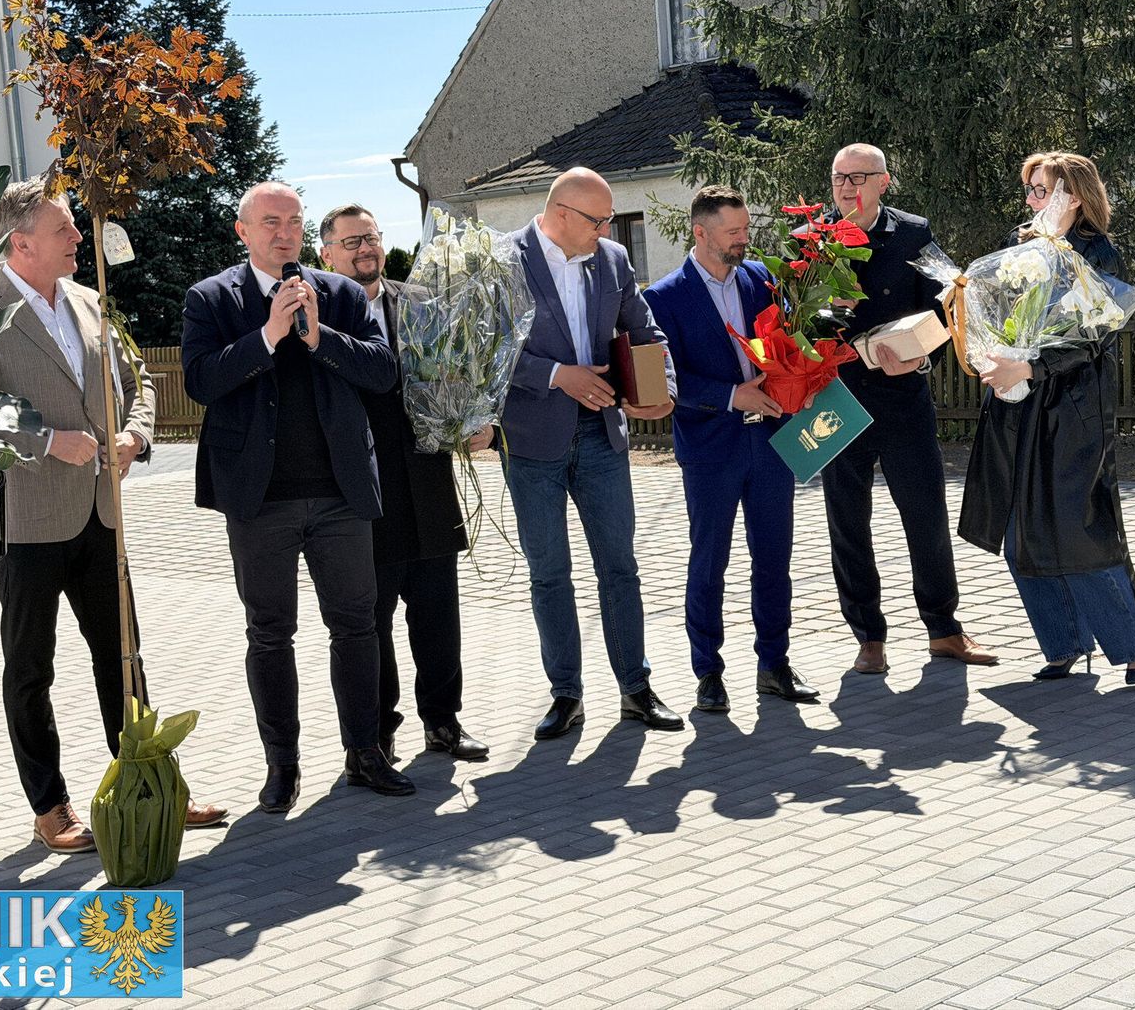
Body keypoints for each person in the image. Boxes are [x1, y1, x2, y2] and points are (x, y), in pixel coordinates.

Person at [0, 180, 226, 852]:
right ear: (21, 243)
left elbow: (137, 383)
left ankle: (150, 785)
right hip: (27, 522)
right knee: (31, 670)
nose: (78, 237)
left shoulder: (90, 301)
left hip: (101, 515)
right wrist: (47, 440)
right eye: (64, 229)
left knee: (124, 659)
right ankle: (50, 806)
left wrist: (136, 436)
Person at [182, 180, 410, 812]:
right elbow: (200, 381)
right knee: (269, 633)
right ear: (243, 231)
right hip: (261, 501)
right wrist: (267, 335)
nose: (285, 234)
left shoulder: (340, 294)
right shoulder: (210, 298)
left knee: (357, 626)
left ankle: (365, 752)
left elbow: (382, 371)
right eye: (271, 222)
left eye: (294, 222)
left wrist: (317, 338)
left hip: (340, 494)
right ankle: (281, 764)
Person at [958, 152, 1135, 684]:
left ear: (1073, 195)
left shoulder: (1099, 254)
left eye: (1041, 189)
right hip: (1017, 403)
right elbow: (997, 313)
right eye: (1029, 189)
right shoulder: (1021, 245)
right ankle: (1063, 642)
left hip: (1073, 410)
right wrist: (994, 353)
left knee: (1078, 528)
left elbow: (1095, 335)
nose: (1031, 199)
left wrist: (1030, 364)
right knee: (1019, 530)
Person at [501, 167, 682, 740]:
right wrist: (559, 375)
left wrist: (662, 386)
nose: (606, 231)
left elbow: (645, 331)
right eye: (597, 220)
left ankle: (635, 688)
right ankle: (567, 695)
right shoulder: (503, 261)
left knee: (620, 567)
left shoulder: (612, 259)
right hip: (533, 443)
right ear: (561, 213)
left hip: (603, 436)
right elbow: (488, 349)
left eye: (608, 221)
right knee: (550, 574)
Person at [320, 203, 490, 763]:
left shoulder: (421, 303)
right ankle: (377, 731)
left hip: (428, 482)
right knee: (371, 622)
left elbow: (462, 369)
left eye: (370, 237)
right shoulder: (315, 314)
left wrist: (475, 418)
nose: (365, 249)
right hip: (362, 493)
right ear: (325, 254)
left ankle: (443, 722)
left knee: (439, 614)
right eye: (351, 242)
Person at [820, 143, 997, 674]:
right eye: (839, 178)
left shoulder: (914, 234)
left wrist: (921, 358)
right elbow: (792, 320)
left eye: (858, 177)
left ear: (883, 182)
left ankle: (944, 629)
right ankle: (868, 637)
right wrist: (825, 317)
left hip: (903, 399)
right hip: (836, 400)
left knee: (925, 514)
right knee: (847, 522)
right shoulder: (811, 239)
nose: (846, 187)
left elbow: (946, 307)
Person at [643, 185, 819, 712]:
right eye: (733, 232)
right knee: (709, 561)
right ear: (701, 233)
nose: (744, 239)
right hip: (709, 448)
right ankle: (708, 673)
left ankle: (774, 664)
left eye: (745, 229)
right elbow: (666, 379)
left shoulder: (761, 279)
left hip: (770, 444)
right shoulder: (662, 298)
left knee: (774, 558)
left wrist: (801, 379)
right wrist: (729, 395)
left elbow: (788, 344)